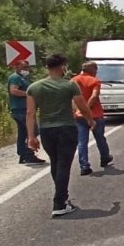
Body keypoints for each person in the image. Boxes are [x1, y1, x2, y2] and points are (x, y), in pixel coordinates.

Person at [27, 54, 95, 217]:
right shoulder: (69, 86)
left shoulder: (34, 87)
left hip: (46, 129)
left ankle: (62, 197)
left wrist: (31, 136)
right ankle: (59, 203)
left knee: (56, 163)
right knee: (64, 164)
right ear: (61, 66)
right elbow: (82, 106)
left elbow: (30, 113)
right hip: (66, 128)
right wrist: (90, 120)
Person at [71, 61, 113, 176]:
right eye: (96, 69)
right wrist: (87, 109)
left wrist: (77, 111)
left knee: (82, 141)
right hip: (95, 114)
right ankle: (104, 158)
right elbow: (94, 96)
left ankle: (84, 166)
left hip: (79, 116)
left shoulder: (74, 80)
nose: (96, 72)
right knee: (100, 138)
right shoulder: (94, 81)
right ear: (92, 69)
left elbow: (71, 98)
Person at [8, 60, 45, 164]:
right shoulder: (15, 77)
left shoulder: (23, 78)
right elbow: (13, 91)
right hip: (20, 109)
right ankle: (28, 154)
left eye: (27, 67)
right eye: (24, 67)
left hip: (22, 109)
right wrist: (29, 94)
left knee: (23, 133)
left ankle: (23, 154)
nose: (26, 69)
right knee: (33, 131)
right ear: (16, 66)